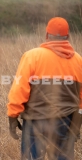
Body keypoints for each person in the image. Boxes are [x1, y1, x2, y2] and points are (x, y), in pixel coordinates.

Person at [7, 17, 82, 160]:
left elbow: (19, 91)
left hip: (35, 121)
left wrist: (12, 116)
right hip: (65, 121)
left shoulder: (32, 56)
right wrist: (77, 124)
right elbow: (81, 99)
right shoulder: (78, 60)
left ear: (47, 35)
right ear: (68, 37)